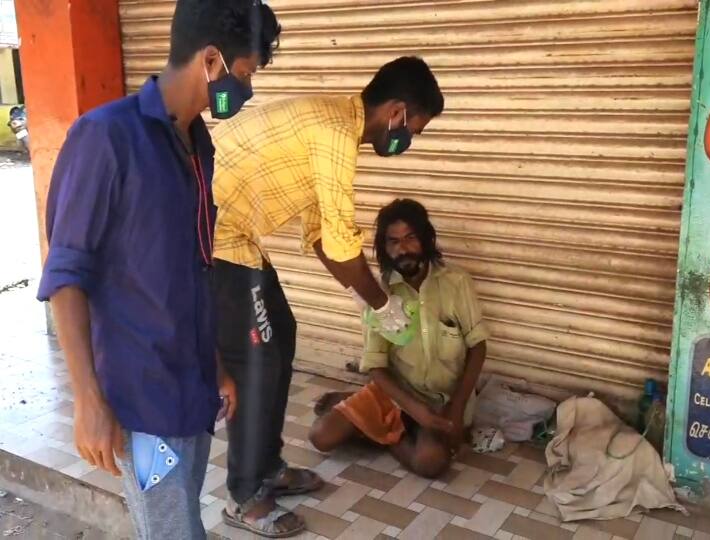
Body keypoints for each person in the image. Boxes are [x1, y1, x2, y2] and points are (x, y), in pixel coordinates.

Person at [36, 1, 281, 538]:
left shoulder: (199, 145)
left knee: (183, 516)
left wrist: (214, 363)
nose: (248, 90)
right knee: (172, 530)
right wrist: (88, 400)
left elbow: (190, 269)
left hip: (192, 386)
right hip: (141, 398)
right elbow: (67, 273)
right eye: (244, 75)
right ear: (211, 61)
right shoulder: (107, 137)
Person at [211, 57, 444, 536]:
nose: (408, 140)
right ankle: (244, 495)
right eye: (413, 130)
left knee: (283, 336)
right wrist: (382, 304)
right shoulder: (336, 133)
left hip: (236, 235)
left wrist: (358, 295)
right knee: (258, 359)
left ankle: (268, 466)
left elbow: (320, 232)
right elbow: (341, 241)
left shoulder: (336, 124)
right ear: (396, 113)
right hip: (212, 232)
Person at [308, 199, 490, 478]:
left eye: (410, 238)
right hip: (395, 395)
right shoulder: (379, 293)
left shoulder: (457, 282)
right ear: (384, 247)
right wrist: (413, 410)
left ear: (427, 239)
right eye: (392, 241)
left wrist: (457, 408)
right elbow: (376, 366)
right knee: (321, 436)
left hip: (441, 401)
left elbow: (478, 347)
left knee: (430, 464)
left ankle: (381, 429)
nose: (402, 248)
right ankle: (390, 424)